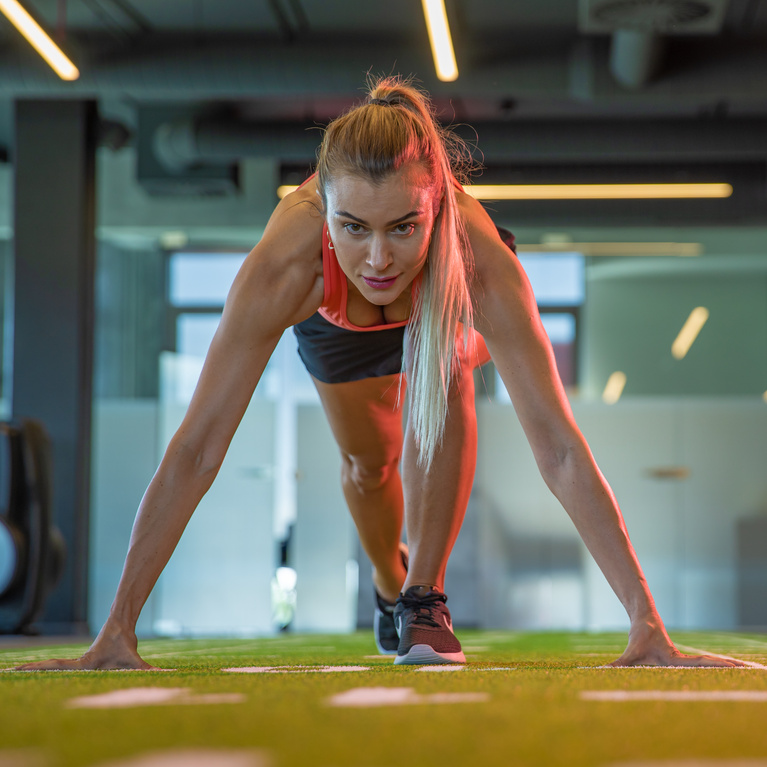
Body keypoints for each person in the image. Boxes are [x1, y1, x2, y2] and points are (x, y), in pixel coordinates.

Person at [16, 75, 741, 671]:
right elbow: (198, 448)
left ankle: (425, 595)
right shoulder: (287, 264)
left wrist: (647, 622)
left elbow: (557, 446)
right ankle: (391, 584)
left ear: (437, 209)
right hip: (339, 328)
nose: (377, 260)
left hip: (442, 308)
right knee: (368, 465)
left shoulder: (476, 256)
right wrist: (117, 628)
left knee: (449, 362)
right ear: (321, 211)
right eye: (352, 227)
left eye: (402, 226)